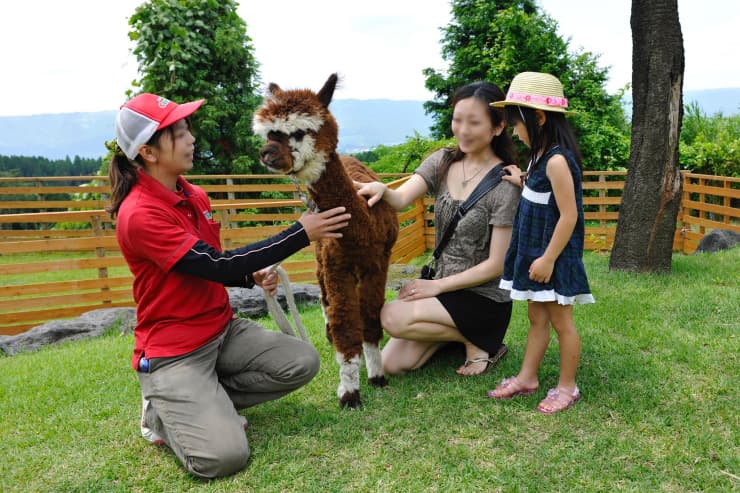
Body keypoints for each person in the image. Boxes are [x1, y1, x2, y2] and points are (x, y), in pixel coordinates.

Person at [108, 93, 351, 478]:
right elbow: (216, 265)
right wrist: (300, 233)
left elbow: (207, 264)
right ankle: (161, 412)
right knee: (223, 457)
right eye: (180, 133)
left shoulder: (193, 195)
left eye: (188, 129)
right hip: (175, 351)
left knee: (302, 362)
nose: (191, 140)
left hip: (221, 330)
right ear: (149, 152)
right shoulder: (139, 214)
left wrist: (249, 276)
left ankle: (205, 401)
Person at [354, 82, 521, 377]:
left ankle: (483, 339)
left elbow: (497, 264)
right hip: (442, 290)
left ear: (497, 128)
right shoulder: (442, 160)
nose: (463, 130)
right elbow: (402, 198)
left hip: (483, 298)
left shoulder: (504, 185)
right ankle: (460, 335)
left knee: (391, 315)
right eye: (458, 119)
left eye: (474, 122)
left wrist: (436, 287)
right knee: (391, 364)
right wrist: (382, 189)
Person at [486, 72, 595, 414]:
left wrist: (548, 259)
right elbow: (540, 195)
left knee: (563, 323)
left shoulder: (559, 161)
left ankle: (567, 387)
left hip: (552, 257)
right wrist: (521, 181)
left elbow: (569, 216)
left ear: (540, 118)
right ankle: (528, 378)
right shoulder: (538, 156)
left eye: (517, 122)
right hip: (535, 254)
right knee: (536, 317)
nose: (515, 130)